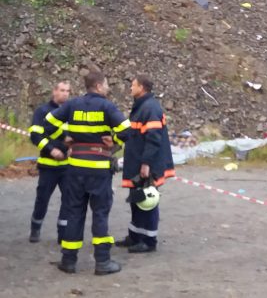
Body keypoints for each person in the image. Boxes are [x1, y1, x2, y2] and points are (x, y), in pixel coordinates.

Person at [43, 71, 130, 275]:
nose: (108, 88)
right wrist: (114, 141)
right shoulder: (107, 106)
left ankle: (69, 261)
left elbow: (48, 123)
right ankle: (102, 262)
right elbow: (127, 130)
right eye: (107, 84)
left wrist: (66, 138)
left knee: (74, 212)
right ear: (99, 86)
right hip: (99, 169)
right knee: (100, 214)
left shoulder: (72, 105)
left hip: (75, 168)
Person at [116, 74, 175, 253]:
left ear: (142, 87)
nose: (130, 88)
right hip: (136, 161)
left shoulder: (150, 108)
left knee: (148, 200)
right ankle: (135, 236)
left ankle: (149, 241)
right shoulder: (141, 106)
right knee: (137, 199)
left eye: (133, 85)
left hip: (147, 164)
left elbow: (154, 139)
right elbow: (132, 132)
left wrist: (146, 163)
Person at [28, 81, 71, 243]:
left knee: (68, 200)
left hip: (67, 166)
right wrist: (51, 149)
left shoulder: (71, 112)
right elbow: (35, 136)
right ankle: (35, 228)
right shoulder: (42, 111)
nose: (65, 93)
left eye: (68, 91)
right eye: (62, 90)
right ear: (54, 91)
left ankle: (63, 232)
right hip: (48, 165)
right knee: (42, 199)